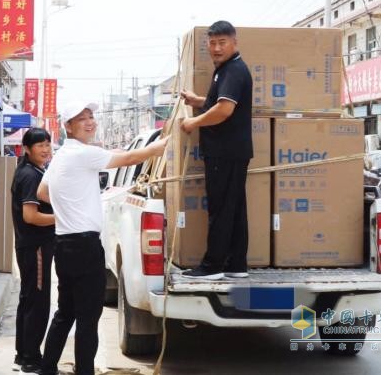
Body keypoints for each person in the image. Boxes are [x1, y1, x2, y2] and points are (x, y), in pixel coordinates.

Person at [36, 102, 168, 375]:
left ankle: (47, 369)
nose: (90, 122)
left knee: (65, 313)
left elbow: (42, 192)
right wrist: (165, 143)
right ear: (68, 127)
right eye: (82, 118)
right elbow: (131, 159)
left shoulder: (62, 155)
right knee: (87, 318)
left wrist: (70, 208)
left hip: (64, 245)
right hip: (84, 247)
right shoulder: (84, 154)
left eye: (91, 117)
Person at [179, 20, 253, 280]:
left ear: (234, 42)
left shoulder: (233, 70)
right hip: (231, 151)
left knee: (221, 209)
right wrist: (198, 101)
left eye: (222, 42)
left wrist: (192, 122)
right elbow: (217, 102)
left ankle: (213, 267)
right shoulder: (225, 70)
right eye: (212, 43)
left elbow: (224, 110)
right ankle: (236, 265)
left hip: (225, 151)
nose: (217, 48)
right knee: (233, 208)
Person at [11, 128, 56, 373]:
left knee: (29, 299)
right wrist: (61, 218)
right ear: (26, 149)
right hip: (35, 246)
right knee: (37, 302)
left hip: (32, 245)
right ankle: (30, 357)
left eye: (48, 144)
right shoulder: (30, 175)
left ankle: (23, 354)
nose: (46, 149)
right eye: (40, 145)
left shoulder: (35, 170)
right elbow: (30, 216)